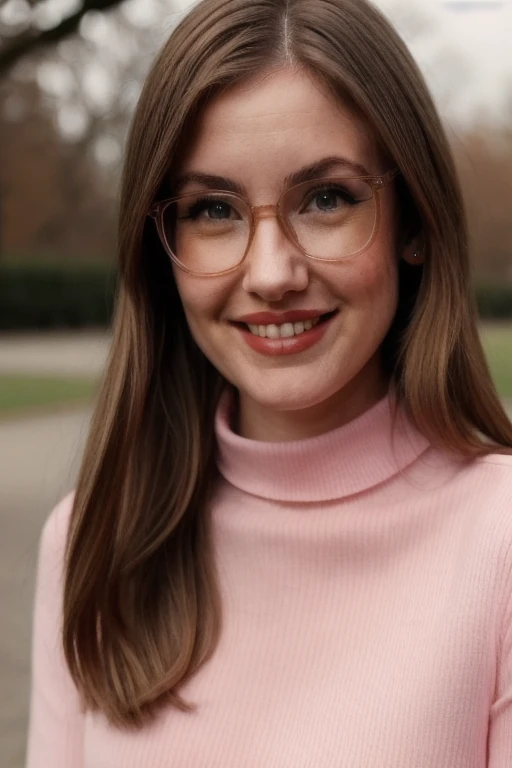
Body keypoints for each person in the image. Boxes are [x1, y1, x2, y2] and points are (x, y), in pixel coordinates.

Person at [26, 0, 512, 765]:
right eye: (213, 209)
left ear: (413, 221)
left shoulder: (501, 543)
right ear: (163, 251)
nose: (272, 273)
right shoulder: (89, 540)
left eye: (326, 199)